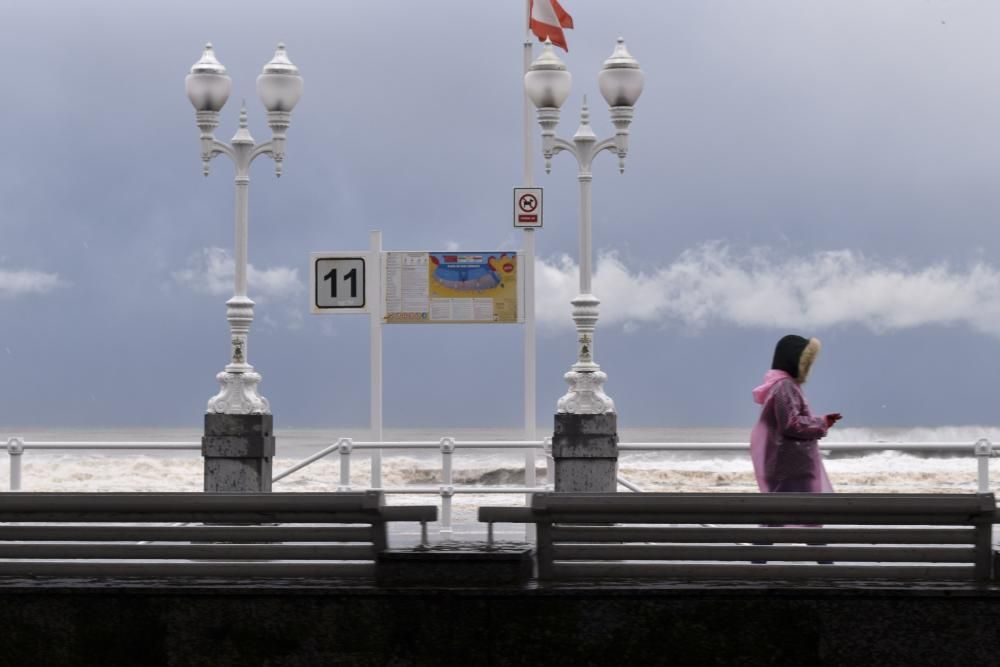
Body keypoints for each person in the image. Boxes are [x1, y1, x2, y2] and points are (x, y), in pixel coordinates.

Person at [750, 334, 841, 494]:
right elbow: (791, 424)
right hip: (792, 467)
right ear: (795, 360)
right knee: (796, 515)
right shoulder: (785, 386)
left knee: (788, 515)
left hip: (785, 465)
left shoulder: (781, 385)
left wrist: (823, 421)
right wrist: (822, 423)